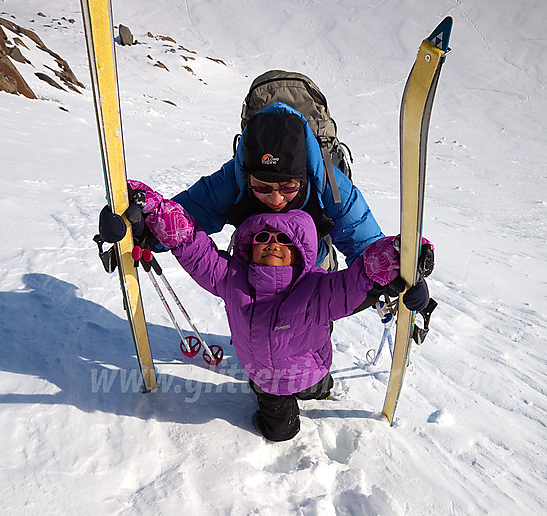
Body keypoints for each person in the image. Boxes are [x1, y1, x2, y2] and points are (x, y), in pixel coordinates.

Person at [99, 185, 429, 441]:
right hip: (266, 379)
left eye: (282, 239)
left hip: (309, 369)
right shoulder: (231, 279)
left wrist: (398, 256)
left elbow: (358, 279)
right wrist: (152, 207)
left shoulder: (316, 289)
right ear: (249, 246)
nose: (271, 243)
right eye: (262, 237)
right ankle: (275, 406)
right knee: (280, 433)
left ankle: (321, 388)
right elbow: (191, 245)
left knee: (317, 388)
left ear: (300, 252)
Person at [140, 104, 385, 272]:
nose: (276, 198)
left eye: (288, 187)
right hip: (255, 265)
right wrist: (143, 228)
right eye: (262, 187)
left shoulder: (329, 183)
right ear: (248, 177)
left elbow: (363, 243)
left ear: (304, 177)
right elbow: (180, 219)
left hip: (312, 268)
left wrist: (390, 273)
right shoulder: (232, 180)